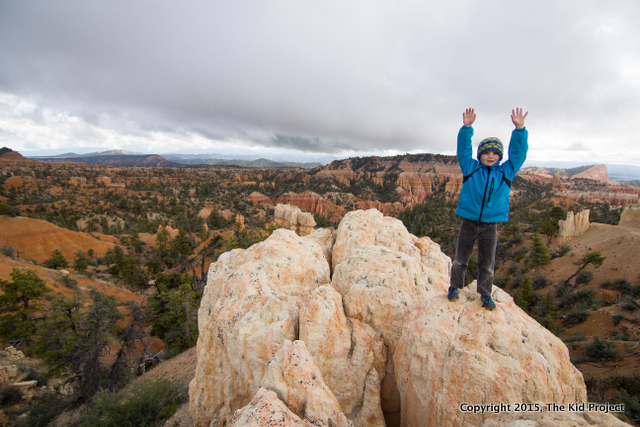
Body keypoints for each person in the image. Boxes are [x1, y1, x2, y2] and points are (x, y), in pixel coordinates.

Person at [447, 108, 529, 310]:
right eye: (486, 153)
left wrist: (520, 129)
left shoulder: (506, 172)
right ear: (480, 155)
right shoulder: (471, 167)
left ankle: (485, 294)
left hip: (490, 225)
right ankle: (454, 287)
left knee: (487, 263)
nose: (490, 156)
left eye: (494, 153)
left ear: (500, 156)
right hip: (469, 222)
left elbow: (518, 155)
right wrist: (466, 128)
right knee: (460, 260)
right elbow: (463, 150)